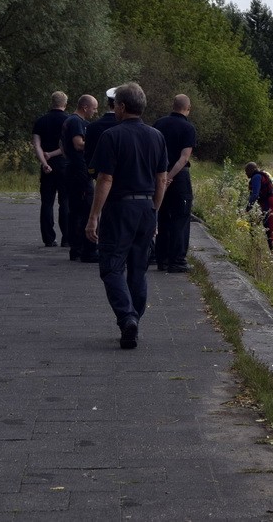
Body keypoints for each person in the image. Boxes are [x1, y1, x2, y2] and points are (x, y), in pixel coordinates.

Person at [86, 83, 168, 350]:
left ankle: (127, 316)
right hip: (146, 208)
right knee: (138, 268)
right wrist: (154, 210)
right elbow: (162, 179)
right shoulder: (157, 136)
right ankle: (134, 319)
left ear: (120, 107)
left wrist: (94, 215)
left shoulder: (111, 136)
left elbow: (105, 178)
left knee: (111, 266)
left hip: (120, 209)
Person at [153, 95, 197, 273]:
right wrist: (169, 177)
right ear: (188, 108)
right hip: (178, 178)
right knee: (180, 218)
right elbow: (183, 157)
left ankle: (161, 259)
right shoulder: (188, 128)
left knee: (163, 217)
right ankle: (177, 260)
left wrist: (160, 177)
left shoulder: (158, 124)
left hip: (158, 175)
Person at [60, 94, 99, 262]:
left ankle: (76, 248)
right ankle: (82, 248)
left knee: (75, 208)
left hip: (72, 168)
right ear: (85, 107)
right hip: (78, 170)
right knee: (84, 207)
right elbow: (78, 143)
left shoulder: (69, 121)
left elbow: (62, 145)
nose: (95, 112)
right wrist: (96, 144)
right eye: (94, 108)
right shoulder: (76, 122)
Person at [31, 91, 69, 247]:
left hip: (47, 167)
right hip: (64, 165)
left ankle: (48, 238)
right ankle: (67, 238)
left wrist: (44, 162)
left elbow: (36, 145)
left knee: (47, 202)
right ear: (65, 103)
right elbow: (67, 146)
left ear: (51, 102)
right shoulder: (69, 121)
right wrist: (52, 154)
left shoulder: (40, 121)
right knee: (65, 202)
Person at [245, 162, 273, 259]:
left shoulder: (256, 177)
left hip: (269, 204)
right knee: (255, 225)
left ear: (251, 170)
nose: (246, 174)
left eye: (246, 171)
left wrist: (248, 207)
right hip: (271, 203)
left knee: (269, 231)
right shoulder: (260, 176)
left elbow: (255, 194)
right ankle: (256, 249)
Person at [85, 87, 119, 179]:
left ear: (108, 103)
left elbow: (88, 154)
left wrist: (92, 172)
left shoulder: (92, 127)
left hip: (99, 175)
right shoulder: (127, 126)